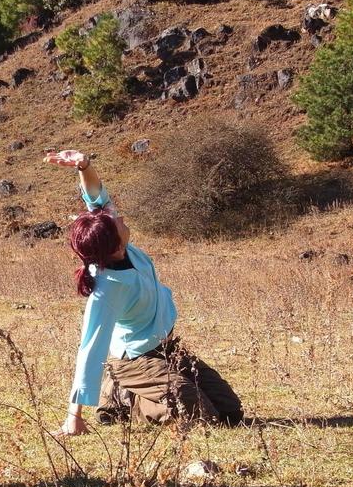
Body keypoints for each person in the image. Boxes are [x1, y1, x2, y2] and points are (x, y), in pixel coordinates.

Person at [43, 150, 244, 436]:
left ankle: (128, 393)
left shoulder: (118, 248)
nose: (119, 216)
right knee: (202, 415)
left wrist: (83, 165)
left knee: (230, 412)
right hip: (134, 360)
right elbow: (90, 349)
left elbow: (96, 197)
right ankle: (126, 398)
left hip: (167, 349)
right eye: (115, 221)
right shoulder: (107, 288)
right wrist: (72, 417)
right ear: (113, 245)